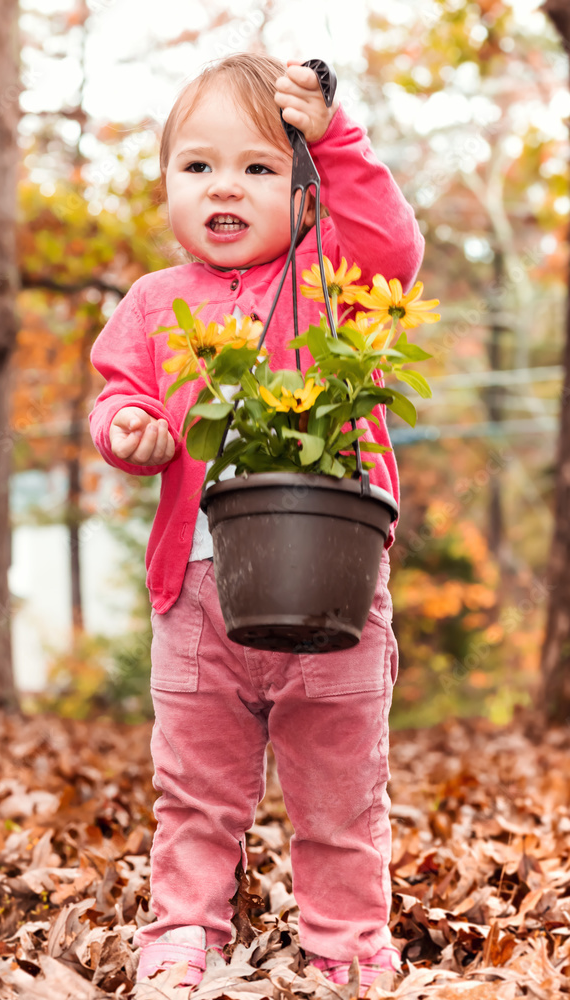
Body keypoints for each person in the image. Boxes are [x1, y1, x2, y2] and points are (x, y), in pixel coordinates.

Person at [88, 52, 425, 998]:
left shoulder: (333, 282)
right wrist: (129, 429)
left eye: (259, 166)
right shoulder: (156, 302)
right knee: (195, 791)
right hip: (196, 595)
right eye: (196, 167)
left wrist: (336, 138)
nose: (224, 186)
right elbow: (118, 395)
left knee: (340, 792)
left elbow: (395, 251)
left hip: (336, 590)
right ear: (166, 186)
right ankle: (182, 934)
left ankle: (350, 944)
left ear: (306, 190)